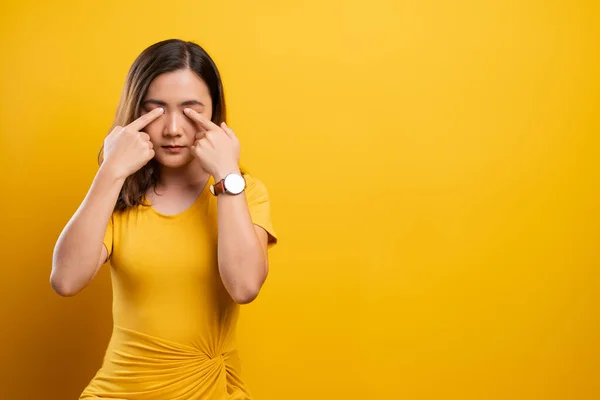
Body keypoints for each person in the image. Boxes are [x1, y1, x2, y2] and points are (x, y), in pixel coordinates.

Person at [50, 38, 278, 399]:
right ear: (135, 113)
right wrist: (111, 171)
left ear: (214, 114)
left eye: (191, 110)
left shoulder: (243, 193)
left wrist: (226, 174)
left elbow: (245, 286)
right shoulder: (119, 197)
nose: (173, 128)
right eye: (156, 110)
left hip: (209, 390)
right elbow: (65, 280)